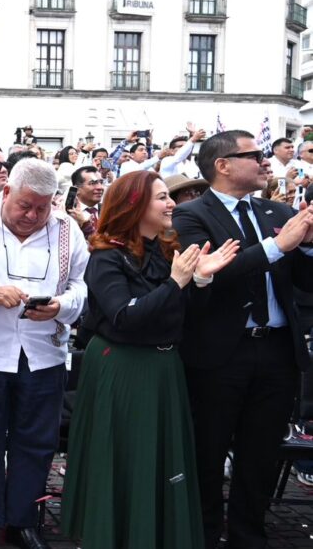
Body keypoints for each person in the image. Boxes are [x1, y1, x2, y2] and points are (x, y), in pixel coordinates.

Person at [63, 171, 238, 548]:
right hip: (122, 366)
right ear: (135, 204)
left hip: (163, 367)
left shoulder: (165, 250)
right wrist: (177, 283)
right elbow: (125, 317)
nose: (171, 203)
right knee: (124, 458)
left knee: (159, 460)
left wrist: (201, 281)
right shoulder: (107, 256)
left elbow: (185, 315)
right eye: (161, 197)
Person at [172, 130, 313, 549]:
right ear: (223, 164)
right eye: (256, 155)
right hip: (219, 352)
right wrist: (276, 246)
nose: (267, 161)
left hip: (276, 349)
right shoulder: (191, 215)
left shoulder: (275, 211)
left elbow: (302, 283)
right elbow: (208, 275)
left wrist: (305, 247)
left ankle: (249, 534)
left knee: (262, 452)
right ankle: (205, 531)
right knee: (209, 451)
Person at [0, 159, 88, 549]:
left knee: (36, 440)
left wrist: (60, 305)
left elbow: (81, 285)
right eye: (24, 206)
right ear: (6, 191)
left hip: (43, 352)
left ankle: (22, 520)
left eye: (42, 208)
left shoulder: (67, 229)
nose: (32, 215)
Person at [67, 166, 106, 239]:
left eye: (101, 182)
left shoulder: (109, 211)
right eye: (92, 183)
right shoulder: (68, 213)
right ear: (77, 189)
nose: (100, 187)